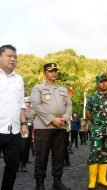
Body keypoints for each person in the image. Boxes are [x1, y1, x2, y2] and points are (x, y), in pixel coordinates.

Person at [30, 63, 72, 190]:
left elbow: (69, 106)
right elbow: (36, 105)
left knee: (59, 156)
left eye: (55, 71)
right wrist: (52, 119)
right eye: (50, 71)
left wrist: (64, 118)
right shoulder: (38, 88)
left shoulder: (63, 89)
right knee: (41, 156)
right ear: (44, 73)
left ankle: (57, 181)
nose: (53, 73)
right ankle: (40, 183)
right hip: (44, 127)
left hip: (61, 126)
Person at [0, 44, 29, 190]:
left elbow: (21, 103)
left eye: (15, 57)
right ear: (0, 56)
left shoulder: (19, 79)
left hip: (14, 130)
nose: (13, 59)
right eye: (9, 56)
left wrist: (24, 124)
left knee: (12, 166)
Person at [86, 74, 107, 189]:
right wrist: (97, 122)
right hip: (97, 129)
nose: (104, 83)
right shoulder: (92, 97)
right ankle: (92, 181)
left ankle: (102, 179)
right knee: (95, 153)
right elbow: (88, 113)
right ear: (97, 84)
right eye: (101, 82)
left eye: (105, 81)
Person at [19, 96, 35, 172]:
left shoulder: (32, 110)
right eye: (26, 102)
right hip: (22, 129)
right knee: (22, 147)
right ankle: (19, 162)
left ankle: (23, 164)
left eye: (29, 102)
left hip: (30, 128)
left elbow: (33, 119)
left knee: (27, 147)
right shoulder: (21, 110)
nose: (28, 103)